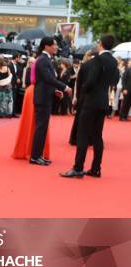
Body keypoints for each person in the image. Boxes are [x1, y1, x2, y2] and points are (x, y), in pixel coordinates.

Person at [60, 35, 119, 178]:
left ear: (101, 44)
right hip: (103, 101)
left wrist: (83, 92)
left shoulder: (98, 60)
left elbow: (91, 81)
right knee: (97, 136)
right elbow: (115, 80)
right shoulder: (113, 61)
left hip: (91, 101)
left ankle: (78, 168)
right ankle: (96, 169)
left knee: (83, 134)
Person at [30, 36, 72, 166]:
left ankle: (38, 155)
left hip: (45, 96)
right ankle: (35, 156)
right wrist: (64, 87)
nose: (56, 47)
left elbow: (45, 81)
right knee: (40, 128)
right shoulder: (43, 60)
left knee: (42, 128)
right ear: (46, 46)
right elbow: (48, 78)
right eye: (54, 45)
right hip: (42, 99)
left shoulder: (46, 59)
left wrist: (54, 90)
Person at [12, 56, 51, 160]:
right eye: (29, 62)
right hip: (34, 92)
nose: (31, 63)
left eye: (32, 62)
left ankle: (31, 150)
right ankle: (33, 151)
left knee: (35, 122)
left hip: (33, 91)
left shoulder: (36, 67)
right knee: (33, 121)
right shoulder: (35, 67)